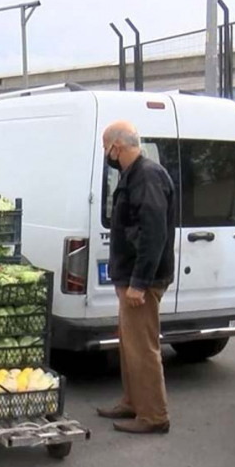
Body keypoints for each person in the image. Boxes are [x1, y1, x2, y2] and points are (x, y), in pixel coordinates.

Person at [98, 120, 177, 434]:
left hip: (141, 280)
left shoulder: (146, 176)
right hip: (130, 278)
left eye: (106, 148)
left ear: (117, 146)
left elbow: (153, 234)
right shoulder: (134, 175)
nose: (107, 154)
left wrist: (139, 283)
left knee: (143, 348)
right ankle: (133, 402)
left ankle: (154, 416)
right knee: (130, 344)